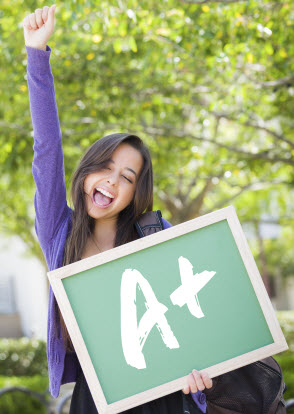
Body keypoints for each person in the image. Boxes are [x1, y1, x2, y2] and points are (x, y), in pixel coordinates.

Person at [22, 4, 213, 414]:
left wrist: (200, 381)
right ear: (87, 172)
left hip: (162, 395)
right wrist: (37, 55)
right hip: (97, 397)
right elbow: (47, 150)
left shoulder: (155, 235)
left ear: (135, 194)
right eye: (105, 167)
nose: (111, 181)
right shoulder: (60, 232)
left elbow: (194, 324)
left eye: (127, 177)